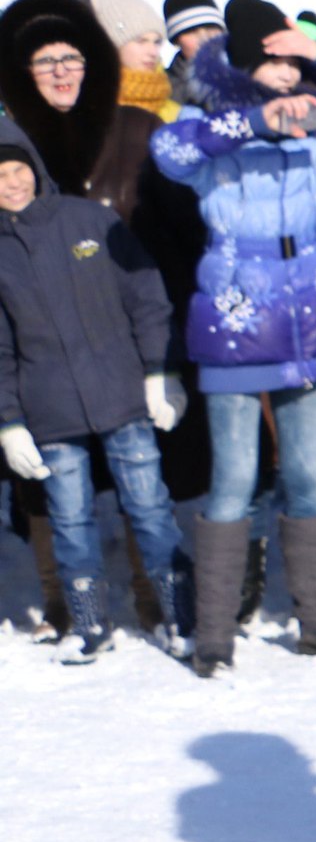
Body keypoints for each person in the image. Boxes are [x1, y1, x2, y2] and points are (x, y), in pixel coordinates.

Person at [156, 0, 316, 678]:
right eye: (268, 59)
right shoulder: (205, 121)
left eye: (285, 57)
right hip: (238, 318)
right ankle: (213, 635)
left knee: (305, 475)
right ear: (242, 63)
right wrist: (254, 120)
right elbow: (168, 151)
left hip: (310, 316)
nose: (281, 70)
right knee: (235, 478)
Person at [0, 0, 207, 635]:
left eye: (71, 59)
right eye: (43, 63)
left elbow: (184, 236)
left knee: (145, 482)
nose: (61, 73)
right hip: (42, 356)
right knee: (50, 489)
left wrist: (166, 352)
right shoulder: (12, 147)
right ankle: (65, 604)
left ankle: (156, 595)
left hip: (129, 344)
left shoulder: (136, 131)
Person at [0, 129, 189, 661]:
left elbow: (146, 295)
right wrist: (8, 422)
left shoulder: (89, 221)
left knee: (150, 507)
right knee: (70, 518)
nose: (12, 184)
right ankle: (89, 624)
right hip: (50, 408)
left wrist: (160, 370)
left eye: (18, 170)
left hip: (123, 393)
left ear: (35, 169)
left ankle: (181, 613)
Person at [81, 0, 180, 122]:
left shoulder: (179, 114)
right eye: (141, 41)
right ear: (111, 45)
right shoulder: (83, 105)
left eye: (157, 42)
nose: (153, 52)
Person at [161, 0, 224, 109]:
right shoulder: (162, 89)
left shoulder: (251, 74)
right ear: (176, 41)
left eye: (210, 28)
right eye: (192, 31)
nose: (205, 39)